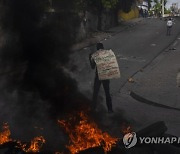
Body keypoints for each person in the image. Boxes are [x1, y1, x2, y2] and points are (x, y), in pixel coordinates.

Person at [89, 43, 113, 113]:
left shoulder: (96, 56)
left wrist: (90, 59)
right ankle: (110, 109)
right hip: (105, 76)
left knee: (95, 93)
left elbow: (92, 67)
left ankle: (93, 108)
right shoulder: (107, 55)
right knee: (107, 93)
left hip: (99, 77)